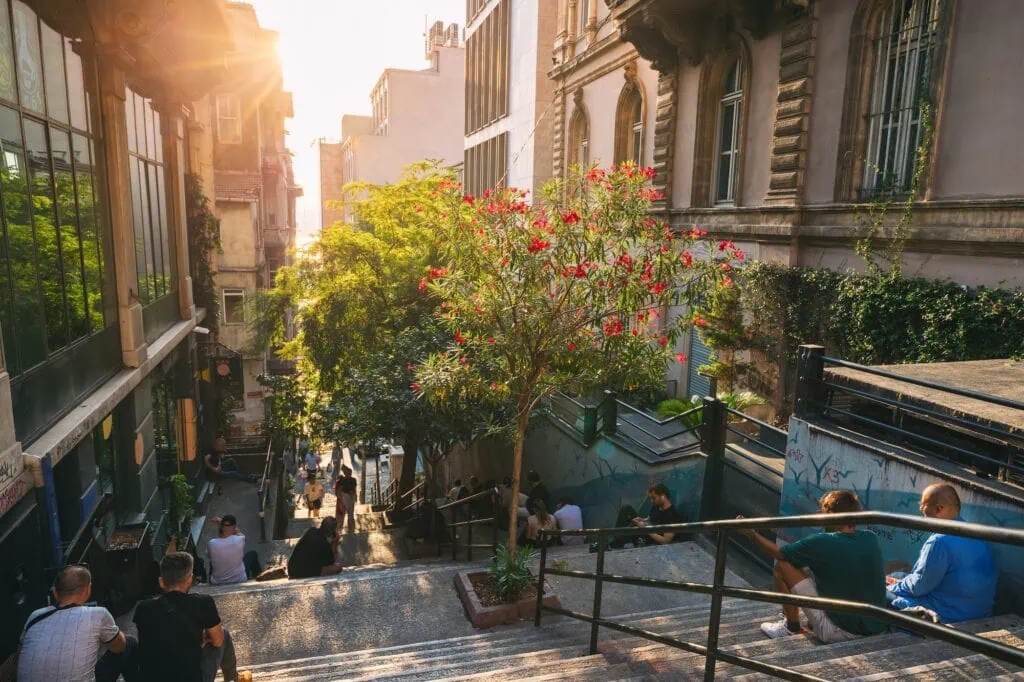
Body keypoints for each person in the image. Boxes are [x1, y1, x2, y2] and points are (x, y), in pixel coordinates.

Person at [739, 490, 887, 643]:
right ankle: (815, 620)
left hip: (841, 633)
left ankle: (791, 627)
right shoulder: (870, 538)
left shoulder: (823, 541)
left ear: (831, 516)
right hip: (876, 628)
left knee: (784, 565)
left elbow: (780, 553)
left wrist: (751, 534)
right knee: (810, 568)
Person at [886, 483, 997, 623]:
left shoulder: (939, 541)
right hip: (980, 611)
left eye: (923, 504)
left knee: (878, 592)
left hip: (948, 615)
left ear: (939, 509)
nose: (920, 508)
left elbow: (919, 586)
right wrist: (901, 582)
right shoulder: (977, 533)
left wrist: (892, 586)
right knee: (898, 575)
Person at [134, 552, 243, 682]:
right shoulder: (203, 603)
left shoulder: (143, 608)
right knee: (223, 634)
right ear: (189, 579)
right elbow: (218, 641)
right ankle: (232, 679)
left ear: (161, 581)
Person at [16, 565, 137, 682]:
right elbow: (119, 647)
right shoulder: (98, 614)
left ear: (55, 593)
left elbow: (20, 653)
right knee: (129, 643)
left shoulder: (35, 616)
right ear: (87, 590)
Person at [207, 515, 261, 585]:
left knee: (212, 559)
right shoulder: (239, 539)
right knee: (253, 554)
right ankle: (260, 579)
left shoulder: (211, 543)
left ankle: (208, 580)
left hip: (217, 582)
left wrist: (222, 524)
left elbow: (209, 556)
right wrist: (221, 521)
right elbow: (238, 532)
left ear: (221, 528)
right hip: (239, 579)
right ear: (234, 527)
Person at [335, 465, 358, 534]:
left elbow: (354, 488)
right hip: (345, 496)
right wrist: (339, 498)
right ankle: (343, 527)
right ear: (345, 473)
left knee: (351, 511)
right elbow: (340, 489)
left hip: (351, 496)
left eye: (350, 473)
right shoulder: (342, 480)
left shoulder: (354, 480)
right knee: (345, 511)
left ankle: (351, 527)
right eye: (347, 473)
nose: (349, 474)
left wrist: (355, 495)